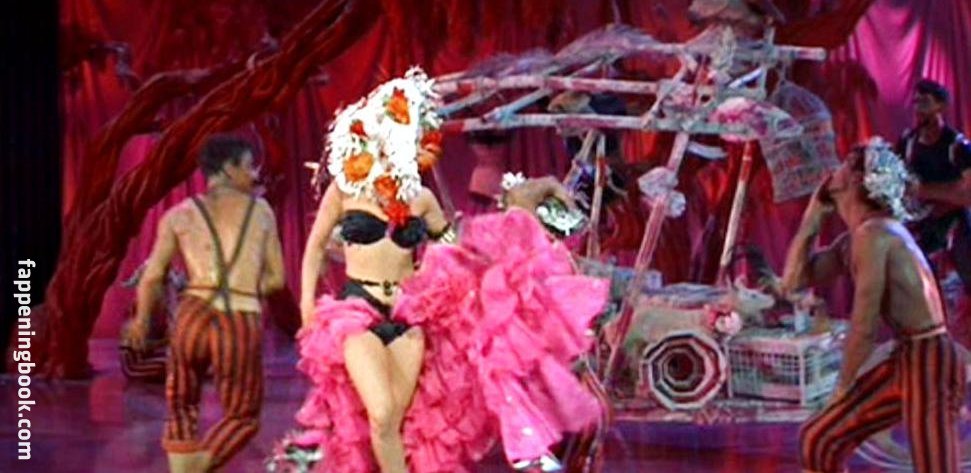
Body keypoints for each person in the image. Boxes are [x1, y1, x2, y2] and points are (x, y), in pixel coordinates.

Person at [276, 68, 607, 473]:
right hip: (356, 310)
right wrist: (307, 307)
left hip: (407, 315)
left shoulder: (422, 199)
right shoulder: (346, 189)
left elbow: (457, 249)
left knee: (396, 423)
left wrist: (518, 211)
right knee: (381, 414)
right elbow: (313, 248)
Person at [782, 138, 965, 473]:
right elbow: (793, 282)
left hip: (930, 358)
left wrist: (842, 389)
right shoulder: (856, 239)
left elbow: (864, 324)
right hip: (906, 357)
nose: (832, 169)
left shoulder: (876, 234)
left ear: (856, 178)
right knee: (819, 439)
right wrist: (812, 219)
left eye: (842, 163)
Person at [125, 135, 286, 472]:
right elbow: (276, 280)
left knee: (181, 405)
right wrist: (243, 287)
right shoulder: (261, 212)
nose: (254, 174)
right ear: (228, 169)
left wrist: (141, 322)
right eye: (248, 167)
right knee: (243, 416)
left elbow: (152, 277)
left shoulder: (178, 215)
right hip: (238, 319)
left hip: (191, 316)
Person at [896, 79, 971, 286]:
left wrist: (924, 191)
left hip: (954, 225)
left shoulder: (957, 146)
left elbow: (968, 193)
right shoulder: (907, 142)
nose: (919, 109)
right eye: (916, 102)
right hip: (920, 225)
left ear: (941, 106)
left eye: (925, 102)